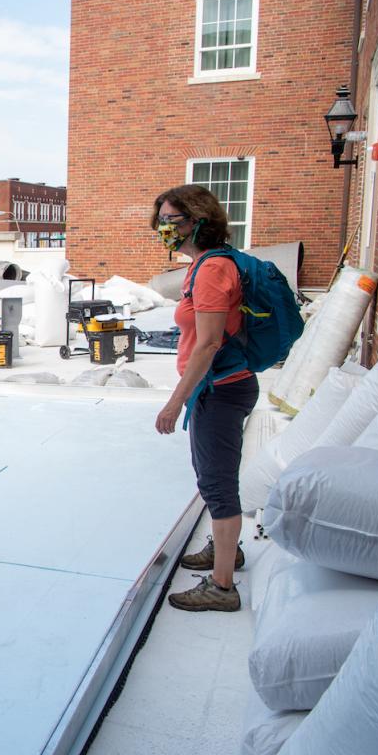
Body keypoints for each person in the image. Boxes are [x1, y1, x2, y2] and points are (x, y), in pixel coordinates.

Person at [151, 184, 256, 613]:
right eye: (160, 221)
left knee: (216, 481)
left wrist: (175, 401)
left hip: (220, 388)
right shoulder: (201, 266)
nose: (164, 229)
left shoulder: (212, 271)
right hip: (220, 387)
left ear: (199, 220)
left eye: (171, 221)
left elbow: (209, 343)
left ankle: (222, 586)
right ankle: (225, 550)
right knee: (212, 475)